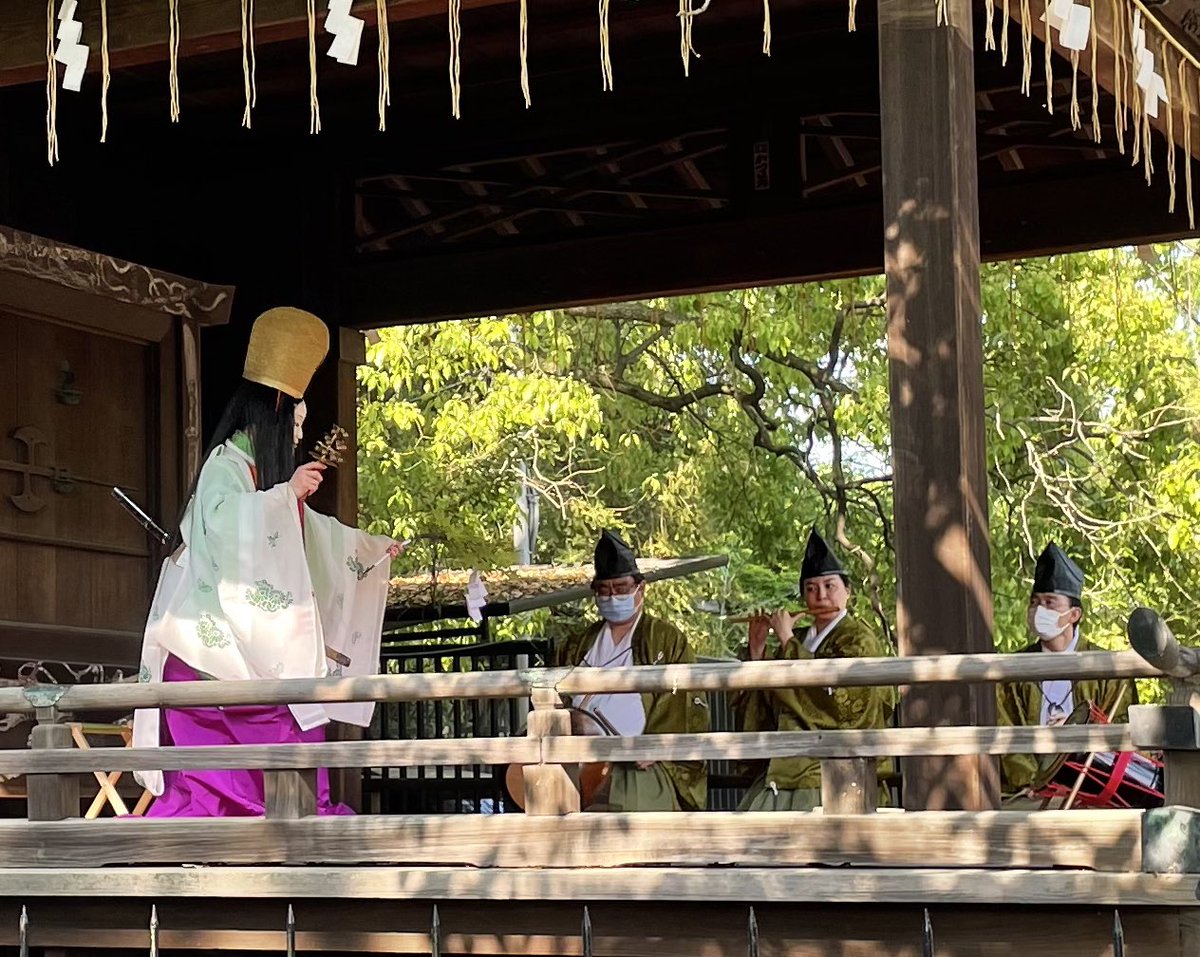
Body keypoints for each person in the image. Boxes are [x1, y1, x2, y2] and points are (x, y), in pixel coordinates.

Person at [133, 307, 401, 817]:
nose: (298, 437)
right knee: (272, 728)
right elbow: (226, 525)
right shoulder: (225, 466)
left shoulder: (259, 476)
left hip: (245, 647)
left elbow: (308, 533)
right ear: (277, 408)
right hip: (206, 647)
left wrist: (366, 549)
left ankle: (293, 820)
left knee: (292, 717)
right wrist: (283, 497)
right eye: (295, 424)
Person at [732, 528, 896, 810]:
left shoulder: (859, 638)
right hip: (787, 762)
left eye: (829, 586)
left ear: (848, 591)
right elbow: (773, 704)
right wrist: (758, 651)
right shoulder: (801, 638)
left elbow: (844, 705)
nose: (820, 596)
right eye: (811, 589)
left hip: (834, 765)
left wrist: (787, 640)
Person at [552, 530, 709, 811]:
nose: (612, 596)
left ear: (641, 588)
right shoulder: (577, 644)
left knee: (632, 811)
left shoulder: (665, 639)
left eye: (621, 588)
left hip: (640, 763)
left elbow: (683, 703)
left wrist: (656, 745)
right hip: (579, 760)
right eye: (604, 590)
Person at [996, 542, 1137, 797]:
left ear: (1074, 615)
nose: (1039, 610)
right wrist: (1035, 782)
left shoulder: (1109, 669)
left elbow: (1123, 730)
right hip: (1029, 794)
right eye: (1035, 602)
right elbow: (1006, 734)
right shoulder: (1013, 671)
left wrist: (1079, 732)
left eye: (1050, 602)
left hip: (1093, 789)